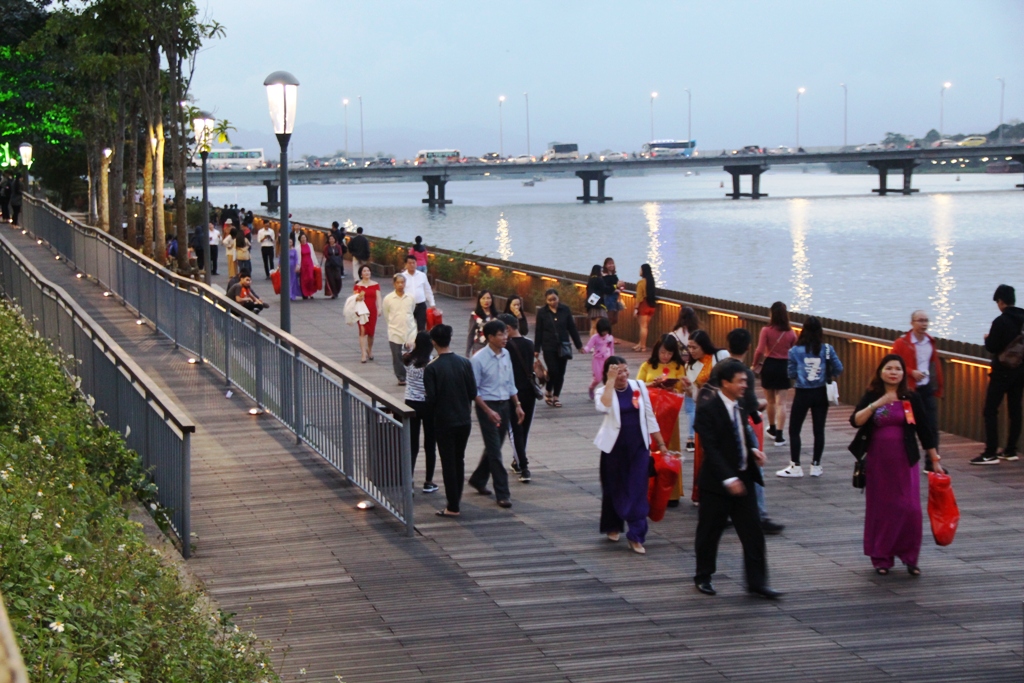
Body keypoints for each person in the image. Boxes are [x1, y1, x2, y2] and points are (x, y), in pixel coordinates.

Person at [693, 358, 780, 599]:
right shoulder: (707, 410)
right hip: (717, 484)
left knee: (753, 533)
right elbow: (711, 449)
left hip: (744, 479)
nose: (745, 385)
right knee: (709, 533)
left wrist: (753, 450)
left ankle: (757, 583)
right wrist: (728, 478)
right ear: (725, 383)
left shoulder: (740, 406)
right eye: (740, 381)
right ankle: (704, 576)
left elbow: (742, 433)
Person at [850, 355, 942, 575]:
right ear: (881, 371)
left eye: (898, 369)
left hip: (905, 460)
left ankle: (910, 556)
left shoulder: (911, 398)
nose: (893, 372)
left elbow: (925, 431)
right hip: (878, 462)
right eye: (889, 368)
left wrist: (935, 460)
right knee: (881, 509)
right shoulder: (873, 395)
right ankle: (881, 557)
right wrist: (877, 404)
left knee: (909, 508)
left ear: (903, 374)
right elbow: (856, 421)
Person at [710, 329, 785, 535]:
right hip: (739, 426)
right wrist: (762, 403)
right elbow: (750, 405)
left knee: (724, 467)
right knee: (755, 469)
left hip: (719, 425)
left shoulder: (719, 367)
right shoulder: (744, 373)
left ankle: (723, 512)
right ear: (748, 347)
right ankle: (760, 515)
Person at [594, 356, 669, 555]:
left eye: (626, 370)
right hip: (614, 448)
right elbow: (603, 406)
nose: (624, 375)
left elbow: (649, 415)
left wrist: (660, 442)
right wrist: (610, 381)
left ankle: (636, 534)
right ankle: (613, 524)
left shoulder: (638, 386)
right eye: (619, 372)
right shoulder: (603, 391)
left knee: (637, 489)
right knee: (614, 488)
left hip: (638, 447)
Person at [467, 320, 525, 509]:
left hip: (505, 405)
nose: (504, 338)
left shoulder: (506, 354)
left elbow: (510, 382)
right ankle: (503, 493)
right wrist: (488, 410)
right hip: (487, 406)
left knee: (495, 446)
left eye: (505, 334)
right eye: (500, 335)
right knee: (495, 451)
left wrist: (517, 404)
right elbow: (474, 390)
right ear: (490, 337)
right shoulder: (478, 359)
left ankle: (478, 479)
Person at [777, 317, 844, 478]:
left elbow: (791, 373)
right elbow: (839, 368)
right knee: (818, 430)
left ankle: (795, 465)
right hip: (821, 393)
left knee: (795, 429)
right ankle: (816, 465)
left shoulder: (795, 351)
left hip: (803, 393)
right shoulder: (827, 349)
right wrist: (828, 374)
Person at [425, 324, 478, 518]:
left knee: (448, 461)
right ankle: (457, 499)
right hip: (464, 419)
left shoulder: (432, 368)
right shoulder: (464, 363)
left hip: (444, 421)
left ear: (433, 342)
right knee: (459, 459)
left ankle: (453, 505)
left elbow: (430, 399)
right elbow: (473, 392)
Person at [973, 284, 1024, 465]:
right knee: (1015, 410)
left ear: (1001, 301)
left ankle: (990, 452)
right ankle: (1010, 450)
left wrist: (987, 339)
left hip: (1002, 371)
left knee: (990, 410)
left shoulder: (1001, 321)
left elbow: (993, 347)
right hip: (1020, 372)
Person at [636, 334, 687, 504]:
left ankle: (671, 493)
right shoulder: (648, 365)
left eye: (669, 353)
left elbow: (682, 388)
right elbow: (637, 385)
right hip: (651, 411)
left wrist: (674, 386)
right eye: (663, 352)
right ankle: (649, 490)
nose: (665, 356)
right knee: (651, 448)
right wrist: (652, 384)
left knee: (670, 449)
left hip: (670, 412)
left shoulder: (679, 367)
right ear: (657, 350)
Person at [891, 310, 944, 467]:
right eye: (920, 320)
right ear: (912, 323)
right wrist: (911, 372)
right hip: (909, 391)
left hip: (926, 389)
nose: (924, 324)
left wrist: (938, 386)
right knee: (909, 424)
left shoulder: (930, 342)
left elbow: (934, 365)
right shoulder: (902, 343)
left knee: (932, 426)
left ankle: (931, 462)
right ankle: (908, 459)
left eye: (926, 321)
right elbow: (894, 362)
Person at [752, 302, 798, 448]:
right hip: (784, 367)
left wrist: (754, 364)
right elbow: (794, 351)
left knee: (770, 401)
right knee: (782, 403)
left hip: (769, 365)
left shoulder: (766, 330)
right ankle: (779, 434)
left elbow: (759, 350)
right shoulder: (791, 333)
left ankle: (771, 427)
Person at [499, 313, 536, 483]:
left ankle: (523, 465)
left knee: (515, 430)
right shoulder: (529, 343)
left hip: (513, 392)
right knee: (524, 428)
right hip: (529, 390)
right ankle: (518, 460)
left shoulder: (505, 348)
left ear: (507, 328)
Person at [534, 288, 583, 408]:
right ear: (546, 300)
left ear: (558, 298)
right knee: (553, 370)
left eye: (554, 299)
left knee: (561, 372)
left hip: (563, 345)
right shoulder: (542, 312)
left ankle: (556, 396)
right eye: (549, 300)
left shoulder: (565, 310)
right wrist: (536, 348)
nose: (552, 302)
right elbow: (538, 331)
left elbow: (572, 328)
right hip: (548, 345)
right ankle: (549, 390)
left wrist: (579, 345)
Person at [403, 331, 438, 493]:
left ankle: (408, 479)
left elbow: (404, 349)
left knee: (412, 443)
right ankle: (428, 481)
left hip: (410, 404)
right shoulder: (431, 363)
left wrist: (408, 346)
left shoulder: (408, 360)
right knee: (430, 443)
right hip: (428, 404)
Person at [382, 273, 417, 385]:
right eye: (398, 282)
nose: (400, 285)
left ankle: (411, 375)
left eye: (402, 282)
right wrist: (392, 324)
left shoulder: (410, 297)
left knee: (411, 354)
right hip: (394, 330)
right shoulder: (388, 298)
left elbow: (412, 310)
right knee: (396, 355)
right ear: (394, 284)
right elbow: (386, 314)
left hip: (410, 330)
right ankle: (401, 377)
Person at [353, 264, 382, 363]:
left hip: (372, 310)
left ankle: (369, 349)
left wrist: (380, 308)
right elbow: (355, 298)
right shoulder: (358, 286)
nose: (367, 273)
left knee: (371, 333)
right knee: (362, 331)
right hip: (361, 311)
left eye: (368, 271)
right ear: (361, 274)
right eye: (364, 271)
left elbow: (378, 297)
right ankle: (363, 354)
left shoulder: (375, 284)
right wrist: (358, 298)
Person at [402, 254, 437, 332]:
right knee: (408, 327)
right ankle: (408, 343)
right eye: (409, 263)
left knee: (421, 328)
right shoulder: (402, 276)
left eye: (413, 263)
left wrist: (432, 303)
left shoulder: (422, 275)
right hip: (407, 305)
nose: (412, 265)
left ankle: (420, 343)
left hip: (420, 304)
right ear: (406, 264)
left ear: (416, 263)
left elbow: (427, 290)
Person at [584, 318, 616, 399]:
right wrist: (584, 350)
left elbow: (611, 348)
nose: (604, 333)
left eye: (606, 331)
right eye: (602, 331)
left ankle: (607, 394)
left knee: (608, 377)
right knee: (598, 378)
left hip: (607, 360)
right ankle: (591, 388)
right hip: (597, 360)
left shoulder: (610, 338)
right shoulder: (595, 337)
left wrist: (612, 358)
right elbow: (589, 346)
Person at [633, 263, 657, 352]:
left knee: (642, 327)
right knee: (645, 326)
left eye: (640, 269)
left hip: (644, 305)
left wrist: (636, 308)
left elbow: (639, 297)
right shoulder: (651, 281)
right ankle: (640, 343)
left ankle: (642, 346)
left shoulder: (641, 282)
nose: (639, 271)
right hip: (651, 306)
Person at [466, 290, 498, 357]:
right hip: (479, 347)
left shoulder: (496, 315)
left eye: (488, 298)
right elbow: (471, 333)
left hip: (493, 347)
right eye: (483, 298)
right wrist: (467, 351)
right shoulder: (475, 315)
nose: (486, 301)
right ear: (479, 300)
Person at [585, 264, 610, 337]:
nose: (602, 272)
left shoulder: (590, 280)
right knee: (598, 326)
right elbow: (605, 290)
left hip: (591, 305)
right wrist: (615, 287)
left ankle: (591, 344)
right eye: (601, 271)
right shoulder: (599, 280)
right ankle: (596, 344)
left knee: (593, 326)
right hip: (599, 306)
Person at [602, 258, 626, 326]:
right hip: (609, 298)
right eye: (609, 264)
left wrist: (621, 287)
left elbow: (618, 286)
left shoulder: (614, 276)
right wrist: (615, 288)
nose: (611, 265)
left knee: (615, 320)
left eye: (612, 263)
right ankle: (606, 334)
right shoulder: (604, 277)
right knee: (609, 318)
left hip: (615, 298)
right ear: (605, 265)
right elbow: (606, 289)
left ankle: (608, 333)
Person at [322, 234, 343, 299]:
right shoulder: (326, 247)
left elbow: (340, 254)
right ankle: (334, 292)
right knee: (331, 279)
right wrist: (331, 258)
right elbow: (325, 254)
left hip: (337, 264)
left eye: (332, 239)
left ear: (335, 240)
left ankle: (337, 290)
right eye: (330, 239)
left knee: (338, 278)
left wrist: (336, 259)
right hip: (329, 264)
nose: (331, 240)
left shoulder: (338, 247)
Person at [297, 232, 317, 299]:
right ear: (300, 239)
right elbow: (298, 257)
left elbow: (313, 254)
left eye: (304, 237)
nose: (303, 239)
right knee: (304, 279)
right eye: (302, 238)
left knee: (311, 278)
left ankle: (310, 292)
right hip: (303, 264)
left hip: (310, 263)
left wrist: (316, 263)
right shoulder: (298, 247)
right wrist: (298, 266)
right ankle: (304, 293)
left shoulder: (310, 245)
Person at [288, 234, 301, 302]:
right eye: (288, 242)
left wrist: (297, 266)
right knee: (287, 281)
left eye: (291, 242)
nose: (290, 243)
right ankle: (288, 294)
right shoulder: (284, 250)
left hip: (292, 266)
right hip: (286, 267)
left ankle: (292, 294)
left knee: (293, 280)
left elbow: (296, 259)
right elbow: (281, 258)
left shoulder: (294, 250)